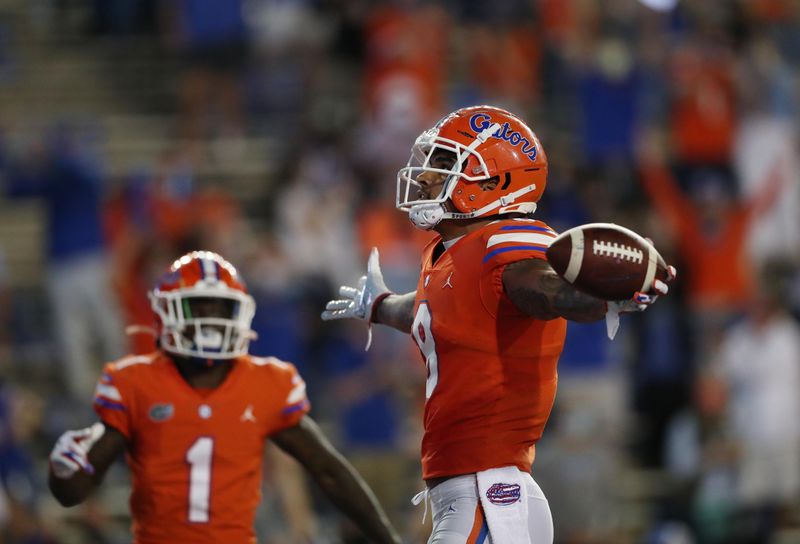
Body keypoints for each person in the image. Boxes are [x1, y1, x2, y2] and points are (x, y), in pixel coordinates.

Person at [323, 106, 675, 543]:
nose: (426, 175)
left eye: (445, 163)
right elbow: (434, 310)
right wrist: (380, 305)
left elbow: (550, 291)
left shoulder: (506, 244)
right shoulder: (451, 256)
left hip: (488, 492)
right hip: (476, 491)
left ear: (493, 184)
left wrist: (601, 295)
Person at [48, 250, 402, 544]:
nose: (210, 320)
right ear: (168, 312)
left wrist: (388, 539)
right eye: (197, 308)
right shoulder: (135, 381)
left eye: (220, 309)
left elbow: (328, 471)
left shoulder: (266, 382)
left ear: (240, 312)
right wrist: (64, 469)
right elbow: (72, 491)